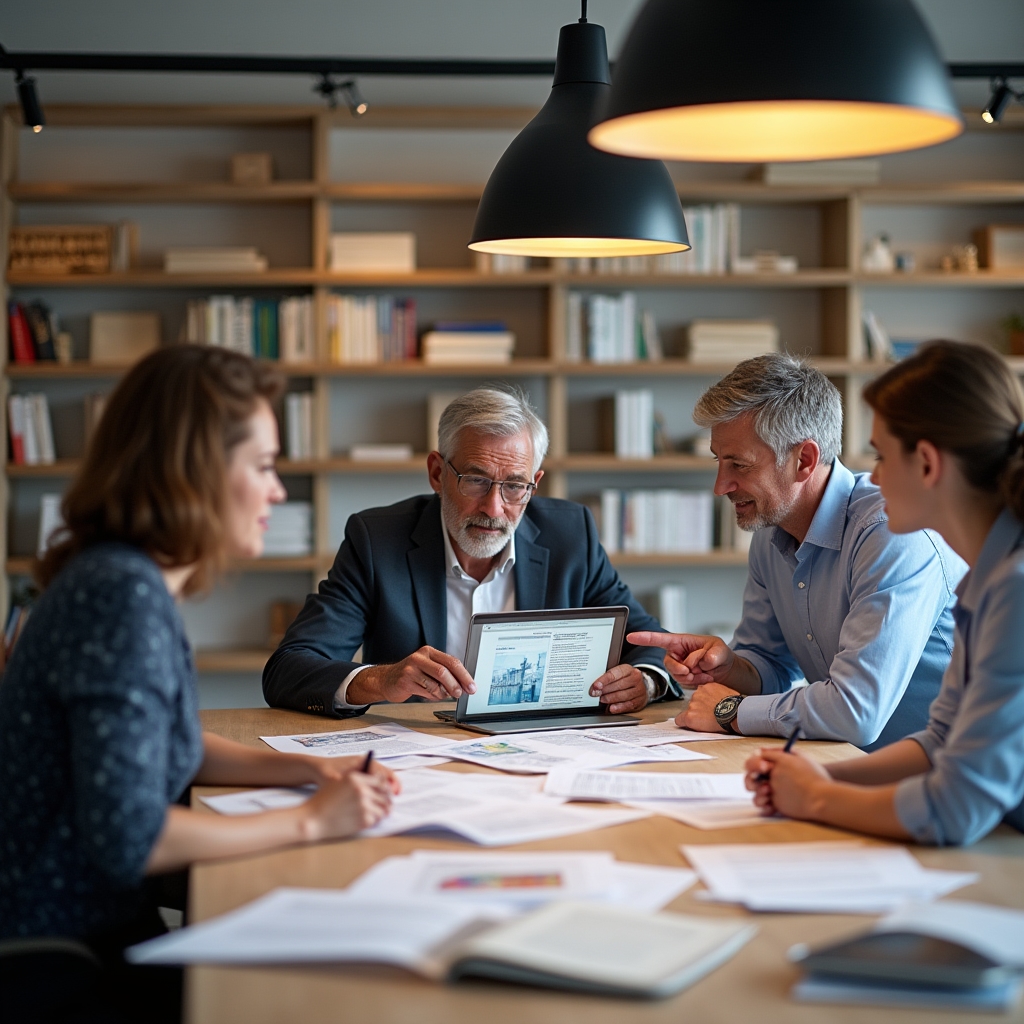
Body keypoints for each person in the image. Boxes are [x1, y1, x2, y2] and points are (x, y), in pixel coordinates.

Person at [0, 347, 397, 1023]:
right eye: (265, 467)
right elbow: (134, 836)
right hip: (58, 947)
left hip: (87, 922)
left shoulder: (127, 579)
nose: (278, 491)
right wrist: (309, 821)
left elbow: (174, 742)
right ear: (198, 470)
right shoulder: (120, 597)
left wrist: (305, 771)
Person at [745, 341, 1024, 845]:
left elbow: (952, 811)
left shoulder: (1014, 588)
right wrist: (824, 777)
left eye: (880, 456)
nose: (871, 476)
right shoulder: (987, 577)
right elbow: (941, 741)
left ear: (927, 463)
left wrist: (816, 798)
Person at [263, 386, 676, 718]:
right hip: (418, 757)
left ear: (535, 482)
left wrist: (645, 679)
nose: (494, 509)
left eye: (515, 485)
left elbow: (648, 640)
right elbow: (289, 668)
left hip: (543, 752)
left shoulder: (569, 533)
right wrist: (383, 680)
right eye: (476, 480)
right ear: (438, 473)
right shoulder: (377, 540)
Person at [629, 353, 963, 751]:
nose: (721, 486)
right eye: (719, 461)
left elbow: (856, 712)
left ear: (804, 460)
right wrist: (729, 666)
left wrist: (731, 711)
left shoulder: (891, 533)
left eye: (739, 465)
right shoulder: (770, 534)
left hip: (971, 788)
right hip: (862, 767)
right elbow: (771, 667)